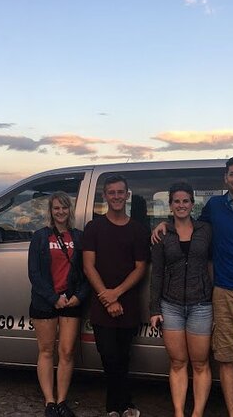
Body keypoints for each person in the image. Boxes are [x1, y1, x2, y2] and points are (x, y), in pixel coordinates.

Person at [153, 155, 233, 417]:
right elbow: (191, 225)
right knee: (227, 359)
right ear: (226, 178)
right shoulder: (214, 206)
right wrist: (165, 224)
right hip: (222, 293)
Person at [83, 175, 150, 417]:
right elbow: (88, 266)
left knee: (123, 356)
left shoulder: (138, 230)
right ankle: (119, 404)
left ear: (127, 195)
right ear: (105, 196)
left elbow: (140, 267)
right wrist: (106, 296)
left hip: (127, 304)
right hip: (102, 305)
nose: (116, 197)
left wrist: (116, 294)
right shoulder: (94, 227)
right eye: (111, 192)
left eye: (120, 192)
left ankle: (119, 406)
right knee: (108, 356)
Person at [149, 182, 213, 417]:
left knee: (200, 363)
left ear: (192, 204)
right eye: (176, 201)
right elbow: (156, 273)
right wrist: (154, 308)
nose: (181, 205)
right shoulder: (162, 233)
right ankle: (178, 412)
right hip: (171, 305)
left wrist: (214, 299)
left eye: (186, 201)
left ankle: (197, 413)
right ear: (170, 204)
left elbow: (212, 265)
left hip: (201, 305)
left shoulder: (206, 230)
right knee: (177, 363)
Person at [28, 191, 90, 417]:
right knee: (46, 351)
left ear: (70, 210)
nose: (61, 212)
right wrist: (54, 298)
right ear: (50, 211)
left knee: (66, 352)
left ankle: (62, 400)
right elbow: (34, 273)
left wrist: (79, 296)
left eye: (64, 208)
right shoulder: (40, 237)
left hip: (72, 301)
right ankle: (49, 402)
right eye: (56, 208)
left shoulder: (79, 237)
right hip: (46, 302)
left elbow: (86, 272)